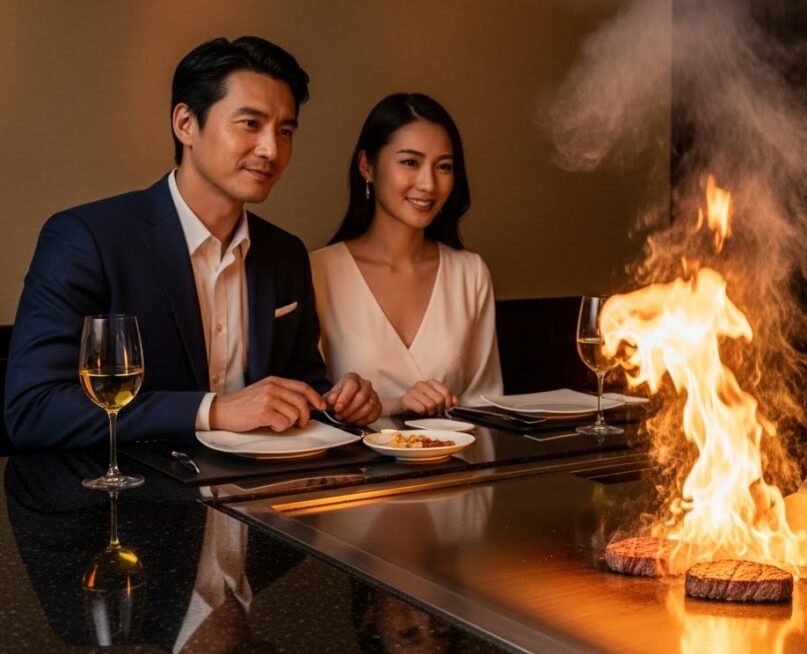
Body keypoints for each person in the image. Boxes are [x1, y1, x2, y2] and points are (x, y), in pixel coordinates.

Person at [4, 36, 381, 451]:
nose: (271, 149)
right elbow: (34, 410)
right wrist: (213, 410)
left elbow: (301, 387)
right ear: (185, 123)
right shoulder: (86, 238)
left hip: (257, 499)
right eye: (250, 124)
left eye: (285, 130)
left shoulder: (285, 253)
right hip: (130, 500)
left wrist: (337, 402)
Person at [311, 93, 502, 417]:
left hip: (455, 464)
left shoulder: (469, 273)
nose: (428, 184)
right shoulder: (317, 271)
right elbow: (313, 407)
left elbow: (484, 406)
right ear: (366, 166)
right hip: (350, 466)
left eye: (443, 167)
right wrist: (396, 405)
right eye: (410, 162)